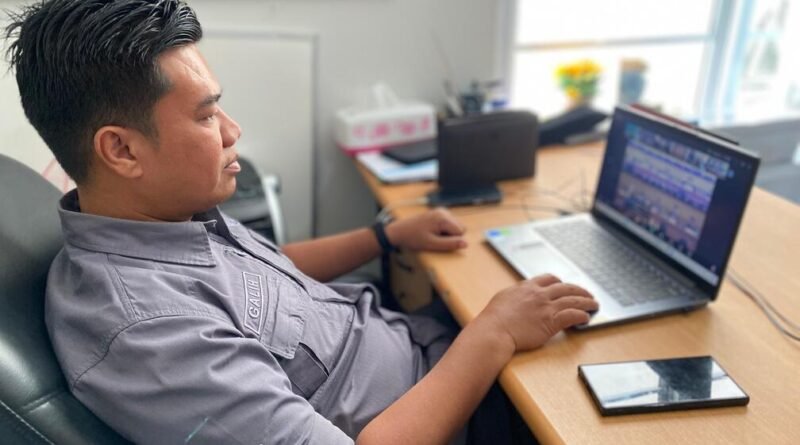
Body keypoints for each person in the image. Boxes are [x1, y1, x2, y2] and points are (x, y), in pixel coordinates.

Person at [4, 1, 598, 444]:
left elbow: (265, 280)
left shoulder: (160, 219)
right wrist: (492, 334)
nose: (232, 131)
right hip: (455, 414)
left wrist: (385, 236)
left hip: (429, 351)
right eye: (206, 116)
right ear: (122, 150)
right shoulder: (153, 338)